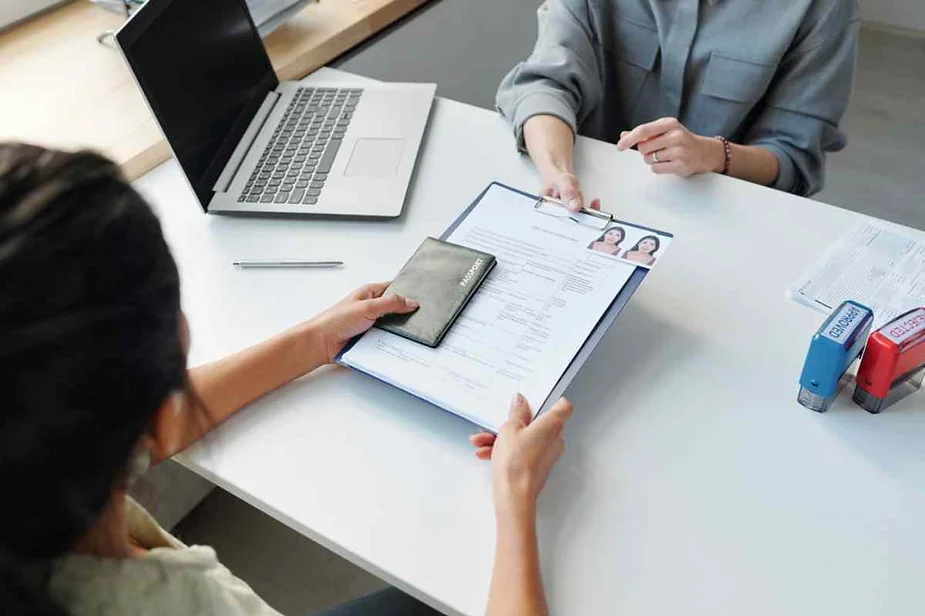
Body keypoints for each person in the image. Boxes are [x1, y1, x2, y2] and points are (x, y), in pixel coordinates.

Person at [0, 143, 574, 616]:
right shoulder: (177, 604)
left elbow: (151, 426)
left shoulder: (38, 478)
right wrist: (515, 495)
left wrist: (316, 339)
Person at [496, 0, 861, 211]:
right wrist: (558, 173)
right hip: (590, 193)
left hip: (722, 214)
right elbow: (545, 83)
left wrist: (715, 155)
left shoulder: (823, 7)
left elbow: (796, 158)